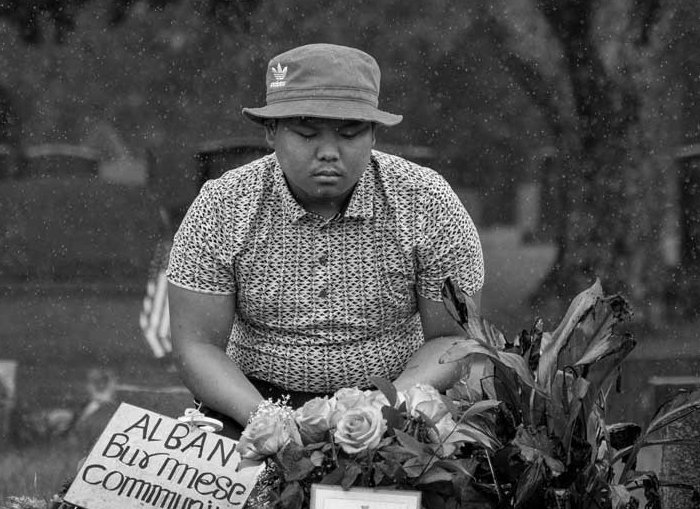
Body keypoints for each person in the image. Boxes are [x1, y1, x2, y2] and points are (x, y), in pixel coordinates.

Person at [165, 43, 485, 436]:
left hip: (398, 398)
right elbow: (197, 346)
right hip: (249, 400)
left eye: (350, 134)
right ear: (271, 131)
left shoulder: (426, 202)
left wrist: (385, 408)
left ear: (373, 134)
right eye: (306, 133)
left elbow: (453, 340)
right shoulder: (223, 207)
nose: (329, 152)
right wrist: (266, 419)